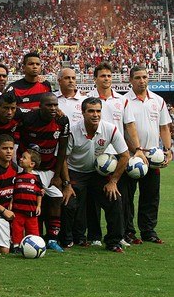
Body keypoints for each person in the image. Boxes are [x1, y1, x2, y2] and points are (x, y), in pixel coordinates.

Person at [87, 61, 146, 244]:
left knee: (123, 197)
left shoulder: (122, 100)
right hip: (95, 156)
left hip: (119, 156)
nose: (106, 79)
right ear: (95, 78)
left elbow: (129, 127)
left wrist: (137, 149)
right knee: (94, 199)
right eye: (102, 75)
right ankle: (95, 236)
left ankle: (122, 234)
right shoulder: (87, 99)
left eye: (109, 76)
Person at [62, 97, 130, 252]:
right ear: (83, 113)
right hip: (75, 173)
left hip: (97, 173)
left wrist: (113, 181)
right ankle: (68, 239)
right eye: (91, 111)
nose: (95, 114)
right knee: (69, 202)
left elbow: (125, 155)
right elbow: (63, 159)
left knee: (114, 199)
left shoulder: (110, 129)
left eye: (98, 111)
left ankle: (114, 241)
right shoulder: (73, 131)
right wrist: (66, 184)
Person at [122, 66, 172, 244]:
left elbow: (164, 127)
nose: (141, 80)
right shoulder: (123, 101)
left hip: (153, 157)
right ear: (130, 80)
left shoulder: (157, 100)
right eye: (137, 77)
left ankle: (148, 231)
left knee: (151, 196)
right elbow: (123, 130)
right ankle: (128, 231)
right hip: (131, 157)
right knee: (127, 196)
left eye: (144, 77)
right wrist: (135, 150)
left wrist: (168, 149)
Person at [17, 91, 70, 251]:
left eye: (55, 105)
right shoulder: (29, 118)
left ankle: (53, 238)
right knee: (28, 202)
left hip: (49, 168)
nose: (53, 108)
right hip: (29, 168)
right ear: (40, 107)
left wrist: (57, 175)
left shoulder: (62, 119)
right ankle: (25, 238)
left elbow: (62, 149)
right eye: (49, 105)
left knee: (57, 197)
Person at [10, 149, 44, 253]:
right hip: (18, 210)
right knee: (17, 229)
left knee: (33, 231)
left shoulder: (36, 178)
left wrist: (38, 206)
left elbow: (39, 193)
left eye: (24, 157)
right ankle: (16, 246)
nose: (21, 159)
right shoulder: (17, 177)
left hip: (31, 212)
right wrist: (11, 203)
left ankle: (35, 247)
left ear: (32, 164)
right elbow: (13, 192)